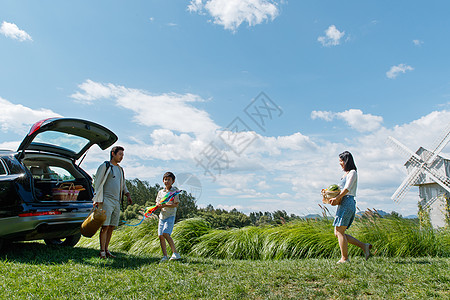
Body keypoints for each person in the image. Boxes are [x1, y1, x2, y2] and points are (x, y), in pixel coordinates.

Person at [329, 151, 372, 264]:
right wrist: (334, 198)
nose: (340, 163)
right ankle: (364, 246)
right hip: (343, 202)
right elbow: (340, 189)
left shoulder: (353, 173)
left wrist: (338, 197)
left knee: (339, 231)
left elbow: (347, 188)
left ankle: (345, 258)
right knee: (338, 232)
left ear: (347, 161)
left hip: (347, 202)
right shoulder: (345, 174)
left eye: (341, 161)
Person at [93, 146, 132, 259]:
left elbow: (122, 184)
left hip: (116, 201)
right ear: (113, 154)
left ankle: (107, 249)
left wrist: (127, 194)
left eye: (122, 155)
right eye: (120, 154)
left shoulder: (120, 169)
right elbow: (98, 183)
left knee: (111, 226)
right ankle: (102, 251)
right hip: (106, 200)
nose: (121, 157)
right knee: (105, 226)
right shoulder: (105, 166)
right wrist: (96, 199)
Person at [156, 172, 181, 262]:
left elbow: (176, 204)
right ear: (163, 181)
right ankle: (165, 256)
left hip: (170, 216)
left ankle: (175, 253)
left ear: (173, 181)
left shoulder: (174, 192)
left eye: (169, 179)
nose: (167, 181)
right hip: (162, 216)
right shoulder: (161, 192)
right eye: (165, 179)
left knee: (166, 233)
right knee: (160, 235)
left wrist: (166, 205)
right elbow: (157, 202)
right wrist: (158, 205)